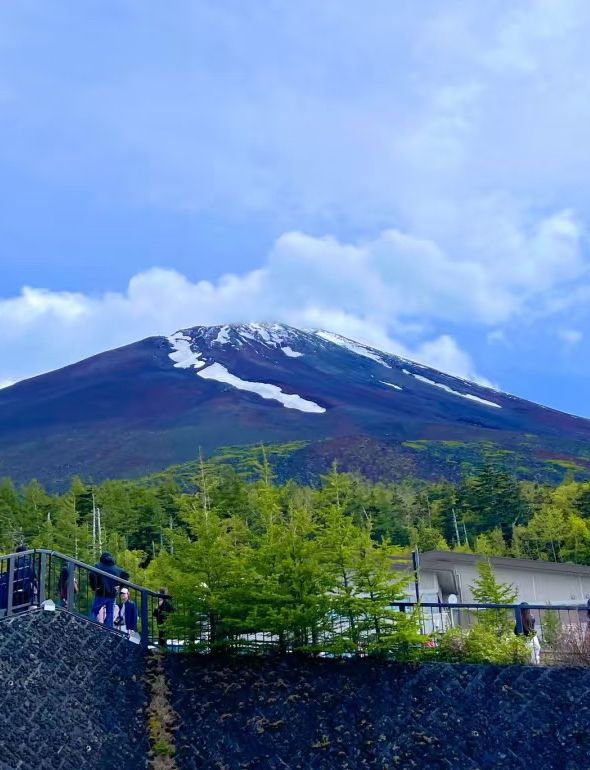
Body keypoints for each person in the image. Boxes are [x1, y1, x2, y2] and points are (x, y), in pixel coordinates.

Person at [89, 552, 128, 629]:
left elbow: (92, 575)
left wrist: (95, 587)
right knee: (110, 613)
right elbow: (126, 576)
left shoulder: (98, 566)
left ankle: (91, 626)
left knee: (94, 611)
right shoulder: (116, 569)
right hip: (111, 594)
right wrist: (120, 587)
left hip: (100, 593)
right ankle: (108, 629)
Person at [11, 545, 38, 612]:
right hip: (29, 585)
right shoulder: (30, 560)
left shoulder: (15, 561)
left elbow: (13, 574)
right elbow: (33, 573)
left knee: (19, 607)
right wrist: (35, 585)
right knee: (30, 603)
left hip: (18, 586)